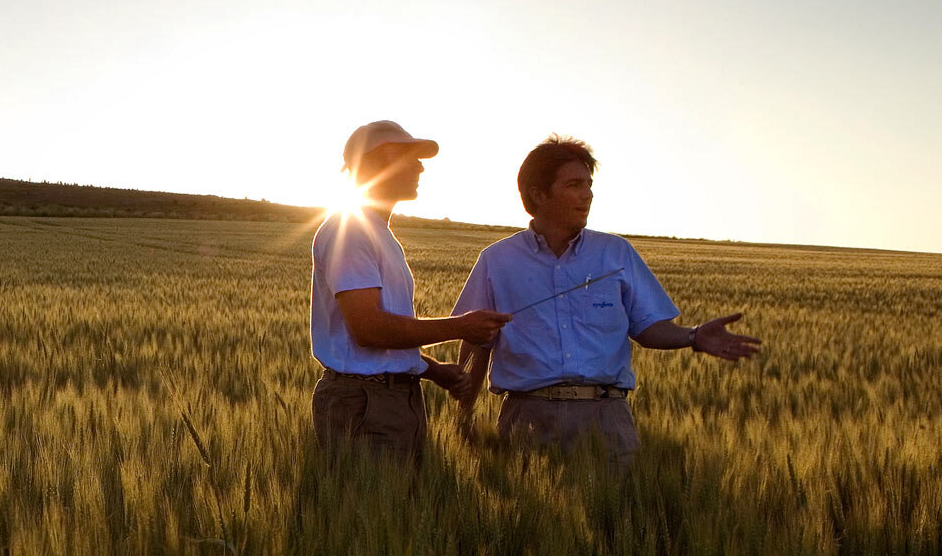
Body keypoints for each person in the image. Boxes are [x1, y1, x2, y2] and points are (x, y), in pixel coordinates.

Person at [452, 135, 760, 467]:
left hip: (607, 417)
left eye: (589, 184)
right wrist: (463, 415)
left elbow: (647, 328)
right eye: (574, 185)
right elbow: (476, 341)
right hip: (527, 417)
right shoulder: (497, 260)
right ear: (538, 194)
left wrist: (693, 336)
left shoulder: (615, 253)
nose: (587, 194)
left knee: (615, 515)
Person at [310, 120, 511, 462]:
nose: (419, 167)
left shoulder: (378, 233)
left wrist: (434, 371)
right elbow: (369, 330)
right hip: (365, 403)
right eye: (408, 157)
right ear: (373, 164)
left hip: (385, 399)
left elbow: (381, 342)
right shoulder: (352, 231)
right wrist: (460, 326)